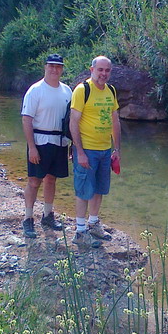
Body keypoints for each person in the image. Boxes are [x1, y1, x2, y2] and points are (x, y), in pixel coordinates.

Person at [69, 56, 121, 247]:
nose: (103, 74)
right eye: (100, 70)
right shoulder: (83, 90)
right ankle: (80, 231)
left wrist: (117, 149)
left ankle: (93, 223)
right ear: (92, 70)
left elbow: (115, 120)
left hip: (105, 150)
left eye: (107, 70)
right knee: (84, 190)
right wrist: (79, 152)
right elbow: (73, 122)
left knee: (99, 188)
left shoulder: (111, 91)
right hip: (87, 150)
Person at [20, 54, 72, 238]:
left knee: (51, 179)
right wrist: (31, 147)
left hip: (59, 142)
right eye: (51, 66)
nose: (54, 70)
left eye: (58, 67)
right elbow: (27, 119)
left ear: (62, 69)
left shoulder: (67, 91)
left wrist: (71, 145)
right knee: (34, 181)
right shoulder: (35, 90)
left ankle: (48, 215)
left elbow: (71, 121)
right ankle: (27, 219)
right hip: (40, 141)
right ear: (45, 67)